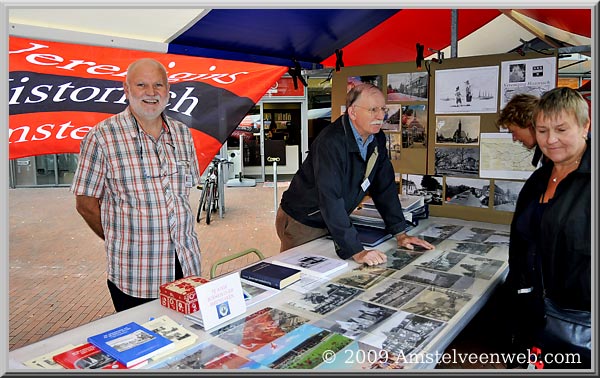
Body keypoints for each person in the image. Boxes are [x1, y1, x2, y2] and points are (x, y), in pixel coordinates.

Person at [71, 58, 202, 312]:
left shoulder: (183, 134)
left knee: (190, 342)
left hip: (187, 267)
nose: (151, 93)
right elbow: (85, 203)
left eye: (158, 85)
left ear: (168, 90)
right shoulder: (102, 137)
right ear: (126, 89)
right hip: (137, 275)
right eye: (141, 84)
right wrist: (118, 239)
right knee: (147, 348)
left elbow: (182, 196)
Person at [276, 83, 434, 266]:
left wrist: (400, 233)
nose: (380, 116)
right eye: (373, 109)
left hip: (333, 219)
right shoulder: (330, 142)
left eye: (383, 109)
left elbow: (385, 186)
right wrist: (356, 251)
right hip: (304, 220)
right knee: (299, 279)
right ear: (352, 112)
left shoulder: (377, 138)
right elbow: (330, 197)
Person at [505, 87, 591, 368]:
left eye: (561, 129)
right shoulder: (539, 178)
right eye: (542, 131)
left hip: (577, 326)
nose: (551, 140)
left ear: (585, 126)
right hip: (530, 313)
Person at [497, 93, 544, 167]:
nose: (514, 139)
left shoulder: (555, 157)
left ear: (528, 123)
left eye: (513, 132)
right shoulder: (544, 156)